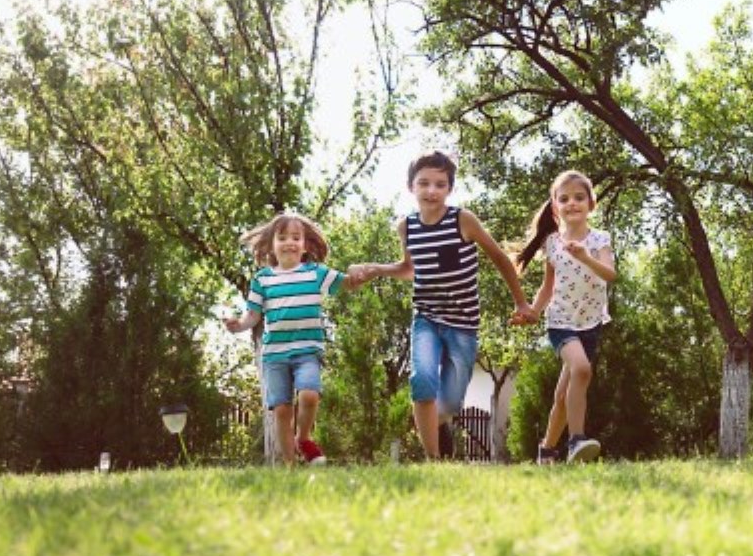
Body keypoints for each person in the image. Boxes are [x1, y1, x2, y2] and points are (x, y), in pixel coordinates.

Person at [352, 151, 533, 459]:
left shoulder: (462, 219)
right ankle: (433, 462)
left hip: (463, 323)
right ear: (411, 187)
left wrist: (521, 302)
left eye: (440, 184)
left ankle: (438, 426)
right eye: (423, 183)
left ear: (449, 188)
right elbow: (410, 269)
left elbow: (500, 258)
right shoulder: (406, 227)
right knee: (422, 381)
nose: (431, 190)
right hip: (426, 316)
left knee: (449, 404)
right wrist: (377, 269)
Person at [225, 212, 364, 466]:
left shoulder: (315, 273)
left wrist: (362, 275)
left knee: (309, 395)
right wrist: (238, 326)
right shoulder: (262, 279)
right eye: (283, 237)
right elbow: (253, 316)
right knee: (281, 410)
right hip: (274, 354)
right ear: (271, 245)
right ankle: (290, 466)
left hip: (307, 350)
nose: (289, 242)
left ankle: (303, 437)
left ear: (305, 245)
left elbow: (347, 283)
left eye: (296, 237)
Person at [515, 171, 616, 464]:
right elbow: (547, 287)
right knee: (582, 370)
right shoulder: (552, 243)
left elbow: (610, 275)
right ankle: (576, 441)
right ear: (555, 206)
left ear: (591, 203)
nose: (572, 203)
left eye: (579, 197)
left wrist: (586, 256)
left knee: (563, 395)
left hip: (591, 323)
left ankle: (546, 449)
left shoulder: (599, 240)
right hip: (560, 321)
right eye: (565, 198)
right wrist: (532, 311)